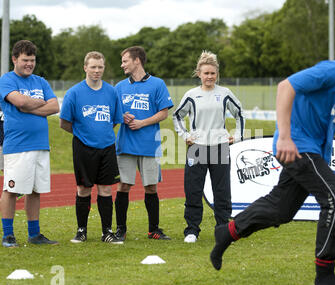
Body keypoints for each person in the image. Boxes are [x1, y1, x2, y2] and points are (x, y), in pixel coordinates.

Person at [210, 30, 335, 285]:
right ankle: (325, 274)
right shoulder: (334, 72)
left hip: (315, 151)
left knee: (281, 209)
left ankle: (227, 232)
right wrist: (285, 137)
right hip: (297, 145)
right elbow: (286, 87)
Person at [173, 51, 245, 243]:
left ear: (217, 74)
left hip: (220, 146)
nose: (209, 77)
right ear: (199, 73)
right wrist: (186, 135)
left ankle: (223, 229)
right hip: (197, 147)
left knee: (221, 191)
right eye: (206, 73)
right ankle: (192, 231)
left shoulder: (225, 94)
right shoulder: (191, 95)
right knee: (193, 190)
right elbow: (177, 116)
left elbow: (240, 114)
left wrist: (237, 136)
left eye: (213, 73)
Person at [0, 40, 60, 247]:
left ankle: (34, 234)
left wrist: (29, 106)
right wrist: (32, 103)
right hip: (18, 146)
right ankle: (8, 235)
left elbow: (54, 106)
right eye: (25, 60)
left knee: (35, 190)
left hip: (40, 145)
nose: (29, 64)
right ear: (14, 59)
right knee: (12, 189)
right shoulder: (6, 80)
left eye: (32, 60)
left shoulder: (40, 82)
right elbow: (20, 102)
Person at [59, 51, 124, 244]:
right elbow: (64, 123)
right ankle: (81, 231)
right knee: (84, 189)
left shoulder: (111, 92)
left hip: (107, 146)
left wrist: (100, 133)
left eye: (100, 67)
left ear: (104, 68)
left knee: (105, 189)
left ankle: (107, 232)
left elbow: (114, 121)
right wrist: (84, 134)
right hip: (83, 147)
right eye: (93, 67)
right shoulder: (74, 93)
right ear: (85, 68)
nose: (97, 71)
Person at [114, 46, 174, 241]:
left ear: (137, 60)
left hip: (149, 145)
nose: (122, 64)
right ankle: (120, 230)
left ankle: (153, 230)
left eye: (125, 61)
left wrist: (142, 123)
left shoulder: (157, 84)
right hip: (125, 146)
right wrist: (122, 116)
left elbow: (164, 113)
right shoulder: (120, 87)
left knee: (151, 187)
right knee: (123, 186)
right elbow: (113, 113)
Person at [0, 102, 24, 202]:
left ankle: (12, 193)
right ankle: (16, 191)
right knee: (3, 169)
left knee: (11, 169)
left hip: (13, 141)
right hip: (1, 142)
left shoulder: (14, 105)